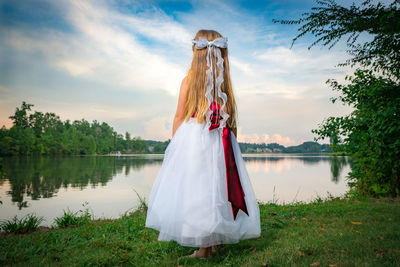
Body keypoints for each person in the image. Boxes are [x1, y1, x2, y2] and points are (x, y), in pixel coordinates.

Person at [145, 29, 261, 259]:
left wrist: (176, 146)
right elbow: (232, 119)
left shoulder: (188, 81)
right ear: (221, 54)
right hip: (222, 141)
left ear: (195, 53)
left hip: (196, 141)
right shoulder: (224, 83)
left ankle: (204, 249)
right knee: (217, 189)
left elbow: (179, 116)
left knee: (200, 192)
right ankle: (213, 239)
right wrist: (233, 145)